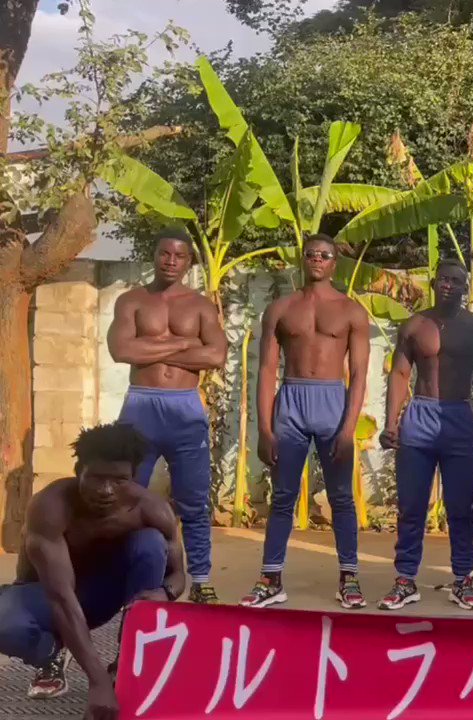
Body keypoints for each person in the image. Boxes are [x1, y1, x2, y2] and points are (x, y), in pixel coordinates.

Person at [0, 423, 185, 717]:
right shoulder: (50, 507)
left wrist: (165, 592)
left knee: (151, 543)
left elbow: (178, 575)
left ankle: (126, 664)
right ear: (79, 471)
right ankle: (52, 653)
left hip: (105, 593)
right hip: (50, 594)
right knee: (5, 623)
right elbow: (61, 598)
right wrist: (96, 682)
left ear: (133, 477)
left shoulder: (153, 510)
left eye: (119, 480)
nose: (106, 491)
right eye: (97, 478)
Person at [240, 234, 371, 610]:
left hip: (332, 403)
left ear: (334, 263)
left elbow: (359, 374)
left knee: (341, 497)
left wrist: (348, 428)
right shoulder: (281, 309)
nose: (317, 259)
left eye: (325, 255)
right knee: (283, 496)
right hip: (291, 403)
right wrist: (264, 428)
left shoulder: (351, 311)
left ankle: (349, 578)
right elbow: (267, 370)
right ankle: (270, 579)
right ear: (303, 259)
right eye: (311, 254)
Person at [106, 231, 227, 604]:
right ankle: (121, 574)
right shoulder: (132, 301)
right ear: (155, 255)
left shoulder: (201, 306)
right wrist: (185, 344)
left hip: (185, 409)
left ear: (189, 262)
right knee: (126, 495)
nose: (171, 261)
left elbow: (215, 356)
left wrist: (153, 349)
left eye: (179, 256)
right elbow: (120, 350)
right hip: (141, 407)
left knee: (194, 500)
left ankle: (201, 579)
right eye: (164, 253)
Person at [378, 259, 473, 611]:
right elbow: (399, 374)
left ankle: (463, 579)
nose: (449, 285)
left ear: (466, 287)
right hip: (420, 416)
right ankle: (405, 579)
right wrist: (391, 422)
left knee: (461, 507)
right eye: (444, 279)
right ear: (434, 283)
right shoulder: (414, 325)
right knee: (411, 505)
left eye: (456, 280)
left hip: (459, 416)